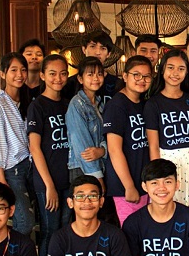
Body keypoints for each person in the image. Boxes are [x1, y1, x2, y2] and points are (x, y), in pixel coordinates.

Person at [144, 49, 189, 217]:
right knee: (168, 215)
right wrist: (158, 178)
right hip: (167, 163)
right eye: (170, 67)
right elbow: (153, 145)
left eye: (181, 68)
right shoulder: (153, 104)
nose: (175, 73)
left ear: (187, 72)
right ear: (162, 70)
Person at [27, 54, 71, 256]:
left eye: (63, 73)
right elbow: (34, 147)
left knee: (64, 230)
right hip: (47, 182)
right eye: (52, 73)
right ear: (43, 75)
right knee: (49, 231)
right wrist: (49, 186)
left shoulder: (68, 104)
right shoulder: (37, 106)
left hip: (68, 180)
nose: (58, 78)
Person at [47, 175, 131, 256]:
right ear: (70, 202)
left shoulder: (114, 235)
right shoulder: (59, 239)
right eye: (80, 196)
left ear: (101, 201)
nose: (87, 201)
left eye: (93, 196)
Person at [0, 52, 35, 236]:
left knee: (31, 219)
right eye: (13, 70)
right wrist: (0, 177)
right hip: (11, 170)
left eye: (23, 70)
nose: (20, 74)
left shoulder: (25, 101)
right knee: (24, 222)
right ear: (2, 74)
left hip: (29, 166)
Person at [103, 55, 153, 225]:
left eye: (146, 76)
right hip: (125, 185)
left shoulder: (144, 104)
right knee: (132, 232)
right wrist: (129, 186)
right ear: (125, 76)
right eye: (136, 75)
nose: (141, 80)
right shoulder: (116, 105)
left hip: (145, 182)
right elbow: (114, 149)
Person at [66, 57, 108, 191]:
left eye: (99, 74)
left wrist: (103, 150)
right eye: (90, 74)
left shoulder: (100, 103)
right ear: (80, 79)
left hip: (99, 165)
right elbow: (83, 147)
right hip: (83, 169)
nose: (95, 78)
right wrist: (98, 177)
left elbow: (105, 136)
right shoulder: (77, 104)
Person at [62, 31, 120, 111]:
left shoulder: (117, 84)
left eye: (103, 48)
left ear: (108, 54)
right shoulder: (70, 84)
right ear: (84, 49)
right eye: (93, 46)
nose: (97, 52)